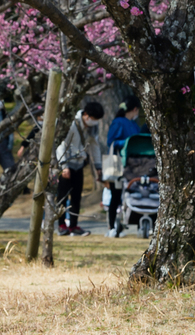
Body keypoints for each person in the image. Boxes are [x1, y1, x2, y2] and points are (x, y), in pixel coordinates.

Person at [55, 101, 104, 236]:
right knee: (62, 197)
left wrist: (98, 166)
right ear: (86, 115)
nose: (94, 122)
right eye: (93, 119)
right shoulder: (71, 123)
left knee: (76, 197)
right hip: (66, 164)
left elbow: (95, 146)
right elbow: (61, 145)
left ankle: (74, 225)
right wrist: (64, 166)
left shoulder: (92, 128)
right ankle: (61, 225)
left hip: (79, 164)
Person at [104, 98, 143, 237]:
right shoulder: (119, 122)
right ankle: (112, 226)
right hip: (119, 164)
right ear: (135, 109)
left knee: (130, 194)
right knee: (116, 196)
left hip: (133, 164)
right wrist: (128, 142)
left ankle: (123, 225)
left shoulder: (133, 123)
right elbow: (111, 142)